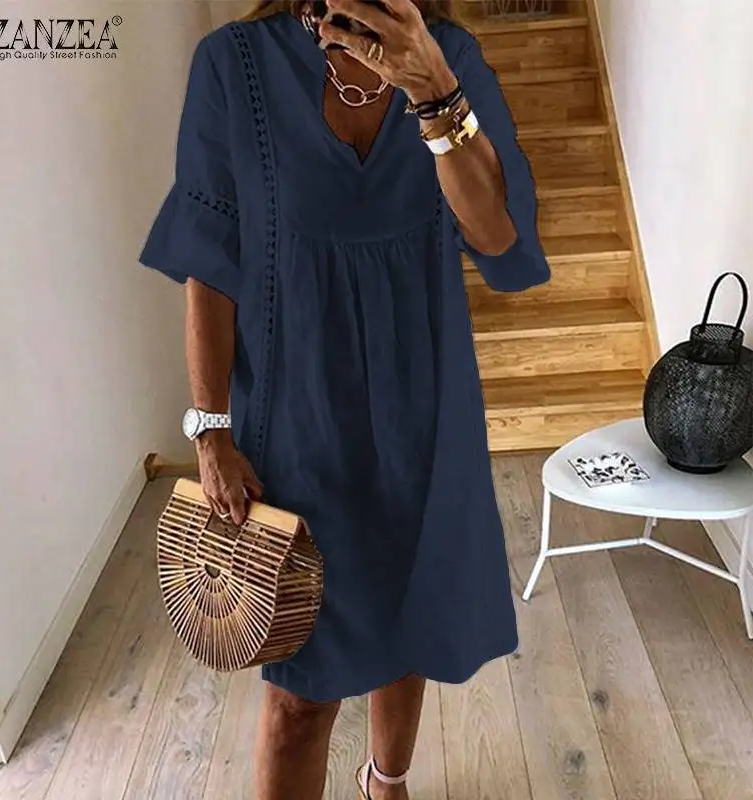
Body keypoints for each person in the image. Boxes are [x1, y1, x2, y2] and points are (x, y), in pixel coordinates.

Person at [139, 1, 549, 797]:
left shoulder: (450, 57)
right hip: (296, 421)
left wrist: (434, 92)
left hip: (425, 411)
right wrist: (211, 430)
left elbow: (497, 236)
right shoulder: (234, 65)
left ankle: (386, 782)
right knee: (299, 695)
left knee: (411, 625)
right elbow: (209, 262)